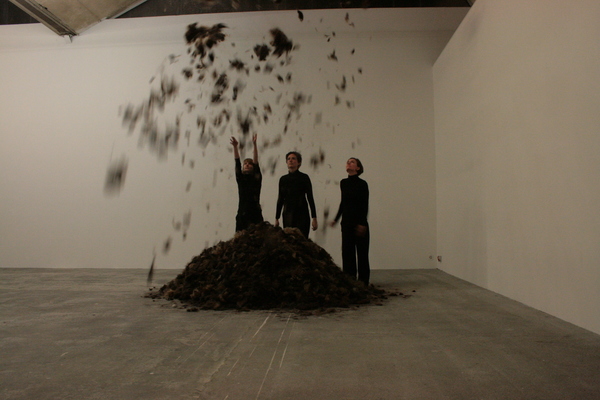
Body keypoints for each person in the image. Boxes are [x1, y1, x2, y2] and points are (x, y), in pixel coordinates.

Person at [330, 157, 370, 285]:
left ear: (358, 168)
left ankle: (363, 282)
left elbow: (364, 204)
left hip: (359, 223)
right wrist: (336, 219)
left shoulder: (363, 184)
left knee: (362, 253)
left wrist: (362, 223)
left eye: (352, 162)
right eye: (348, 161)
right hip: (347, 223)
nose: (348, 163)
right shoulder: (344, 183)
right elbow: (343, 203)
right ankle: (350, 281)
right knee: (347, 253)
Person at [275, 151, 318, 238]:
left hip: (302, 213)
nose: (290, 160)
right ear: (286, 162)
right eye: (288, 159)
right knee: (289, 240)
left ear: (299, 162)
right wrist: (277, 218)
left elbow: (310, 197)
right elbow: (280, 198)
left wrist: (314, 218)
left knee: (302, 239)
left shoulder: (304, 177)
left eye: (293, 158)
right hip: (288, 214)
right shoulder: (283, 179)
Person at [231, 134, 263, 232]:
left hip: (255, 213)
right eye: (245, 164)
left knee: (257, 237)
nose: (247, 165)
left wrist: (255, 145)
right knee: (240, 238)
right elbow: (237, 162)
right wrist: (235, 147)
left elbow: (256, 162)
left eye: (249, 164)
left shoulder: (256, 178)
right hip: (242, 213)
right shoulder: (241, 179)